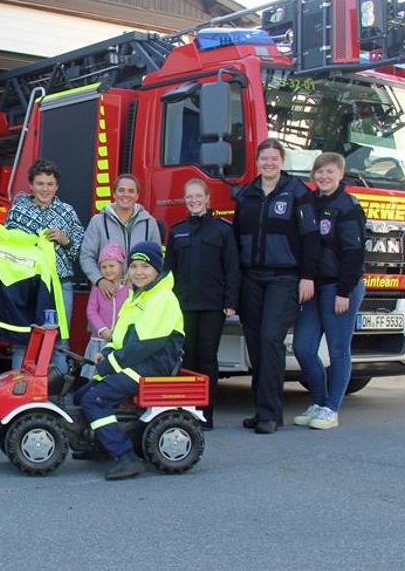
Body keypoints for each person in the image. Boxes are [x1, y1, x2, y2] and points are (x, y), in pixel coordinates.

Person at [76, 240, 184, 481]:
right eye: (134, 266)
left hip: (151, 367)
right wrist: (108, 351)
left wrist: (110, 365)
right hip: (136, 364)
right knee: (81, 396)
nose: (138, 272)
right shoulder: (137, 296)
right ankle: (102, 442)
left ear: (157, 269)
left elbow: (145, 346)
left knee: (95, 400)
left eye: (145, 267)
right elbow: (120, 336)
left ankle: (126, 457)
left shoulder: (162, 298)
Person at [233, 139, 319, 434]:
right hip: (251, 278)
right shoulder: (246, 194)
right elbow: (236, 240)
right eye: (263, 159)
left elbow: (310, 238)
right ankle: (261, 411)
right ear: (257, 162)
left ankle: (270, 413)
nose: (268, 163)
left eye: (274, 158)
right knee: (255, 344)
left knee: (271, 338)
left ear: (282, 161)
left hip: (285, 278)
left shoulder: (298, 193)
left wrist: (308, 276)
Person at [292, 152, 367, 430]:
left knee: (338, 349)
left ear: (340, 175)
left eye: (330, 172)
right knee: (303, 346)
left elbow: (354, 252)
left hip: (340, 287)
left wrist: (344, 291)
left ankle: (332, 408)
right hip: (313, 284)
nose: (324, 177)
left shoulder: (347, 206)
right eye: (319, 172)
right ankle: (320, 402)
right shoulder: (308, 202)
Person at [165, 179, 240, 430]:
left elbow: (232, 268)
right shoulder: (177, 231)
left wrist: (231, 302)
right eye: (189, 196)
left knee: (207, 359)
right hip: (183, 306)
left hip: (212, 305)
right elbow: (169, 272)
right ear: (184, 200)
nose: (194, 201)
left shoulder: (223, 230)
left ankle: (206, 413)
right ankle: (188, 410)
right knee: (187, 360)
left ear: (208, 199)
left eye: (198, 196)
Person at [4, 159, 85, 370]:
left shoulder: (67, 212)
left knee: (59, 341)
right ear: (31, 185)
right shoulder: (17, 212)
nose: (45, 189)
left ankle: (58, 398)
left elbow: (80, 250)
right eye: (40, 183)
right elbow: (7, 248)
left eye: (50, 184)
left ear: (57, 186)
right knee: (23, 339)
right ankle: (16, 393)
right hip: (27, 285)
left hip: (60, 284)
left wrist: (64, 239)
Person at [79, 174, 162, 301]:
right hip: (108, 293)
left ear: (137, 196)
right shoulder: (98, 221)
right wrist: (100, 280)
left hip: (139, 294)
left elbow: (158, 260)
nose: (126, 195)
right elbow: (86, 256)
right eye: (121, 190)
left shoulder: (149, 222)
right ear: (114, 194)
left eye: (131, 191)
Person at [83, 242, 130, 377]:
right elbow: (91, 311)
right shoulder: (97, 288)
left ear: (121, 266)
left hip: (120, 342)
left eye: (112, 266)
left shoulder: (129, 288)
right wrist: (103, 330)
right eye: (103, 267)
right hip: (99, 340)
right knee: (95, 374)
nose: (108, 270)